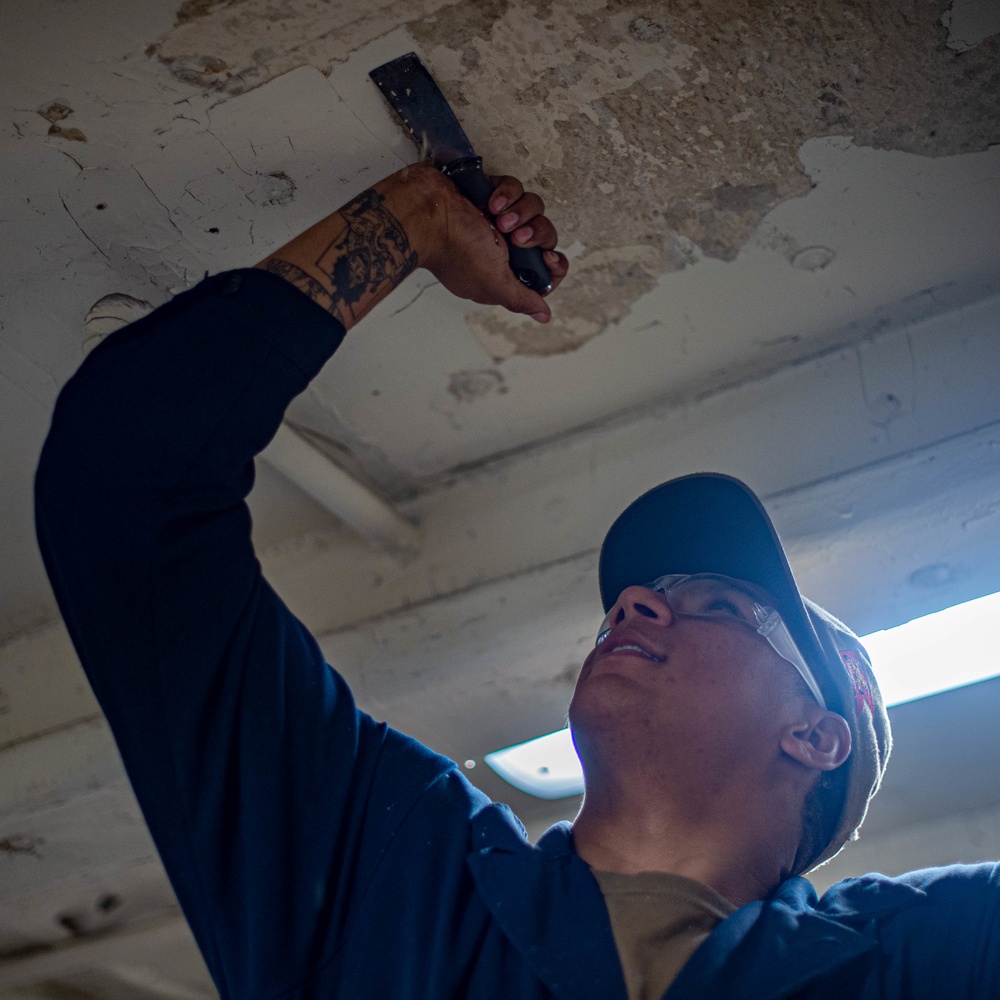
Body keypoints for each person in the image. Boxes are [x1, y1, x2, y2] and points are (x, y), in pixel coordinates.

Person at [35, 161, 1000, 1000]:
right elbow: (128, 482)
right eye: (642, 595)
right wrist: (413, 214)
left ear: (817, 734)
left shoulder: (926, 959)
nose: (633, 602)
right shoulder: (390, 869)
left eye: (726, 607)